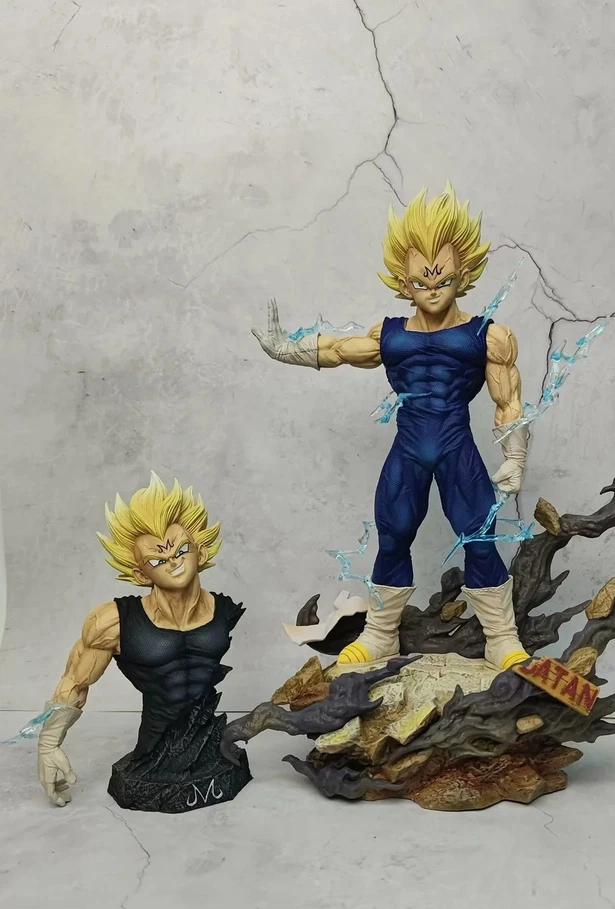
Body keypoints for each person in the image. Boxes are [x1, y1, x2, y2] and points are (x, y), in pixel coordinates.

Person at [252, 183, 529, 671]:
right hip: (409, 447)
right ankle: (381, 635)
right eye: (421, 282)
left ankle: (501, 638)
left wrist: (515, 456)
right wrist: (285, 349)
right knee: (393, 534)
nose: (432, 289)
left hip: (456, 446)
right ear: (404, 281)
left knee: (479, 535)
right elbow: (338, 350)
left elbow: (507, 400)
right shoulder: (391, 335)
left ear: (463, 273)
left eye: (442, 279)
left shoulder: (489, 335)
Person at [37, 473, 250, 811]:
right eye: (157, 560)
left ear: (201, 551)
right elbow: (75, 680)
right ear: (140, 574)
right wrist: (48, 744)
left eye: (181, 550)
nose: (173, 562)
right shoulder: (113, 621)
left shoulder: (224, 610)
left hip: (210, 743)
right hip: (153, 751)